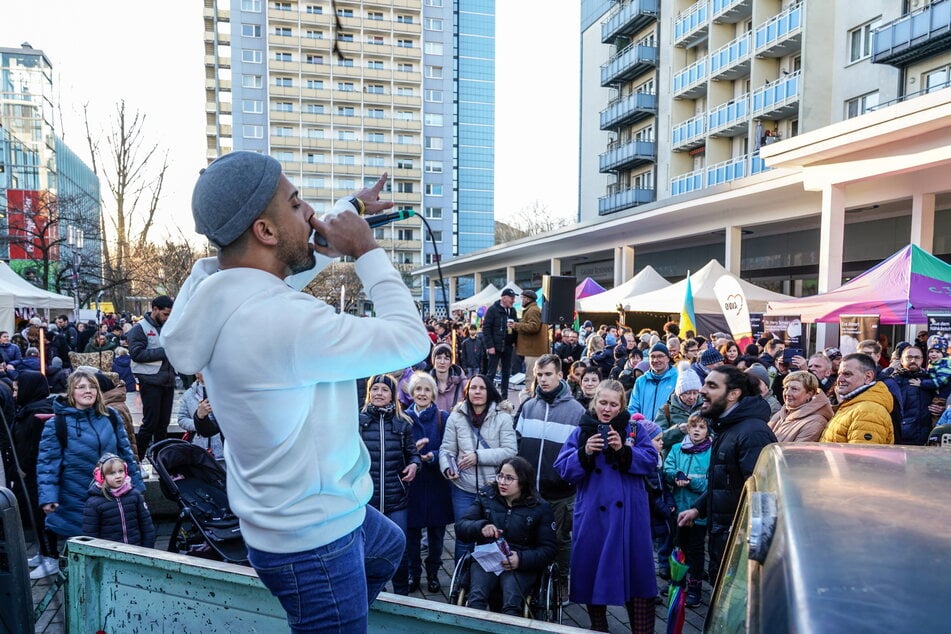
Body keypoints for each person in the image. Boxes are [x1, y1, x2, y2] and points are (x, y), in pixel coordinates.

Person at [161, 151, 431, 632]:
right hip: (315, 544)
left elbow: (274, 274)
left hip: (289, 521)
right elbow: (410, 339)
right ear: (265, 232)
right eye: (296, 203)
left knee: (388, 545)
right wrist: (366, 251)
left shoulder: (217, 296)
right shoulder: (282, 321)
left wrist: (351, 209)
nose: (310, 212)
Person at [554, 379, 658, 633]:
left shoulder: (634, 430)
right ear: (594, 403)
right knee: (592, 573)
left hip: (629, 516)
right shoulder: (582, 431)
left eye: (613, 404)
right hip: (594, 514)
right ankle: (598, 627)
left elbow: (652, 460)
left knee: (638, 577)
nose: (607, 408)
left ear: (621, 406)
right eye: (603, 402)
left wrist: (623, 450)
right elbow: (562, 468)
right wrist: (584, 453)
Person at [35, 370, 144, 579]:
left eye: (92, 386)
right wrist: (48, 497)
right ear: (71, 392)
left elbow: (126, 454)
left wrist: (137, 488)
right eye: (81, 387)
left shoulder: (111, 417)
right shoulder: (56, 424)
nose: (88, 391)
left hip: (111, 499)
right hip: (76, 500)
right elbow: (48, 464)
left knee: (113, 556)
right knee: (83, 563)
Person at [677, 366, 776, 583]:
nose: (702, 390)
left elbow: (763, 495)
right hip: (724, 538)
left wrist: (744, 541)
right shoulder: (728, 427)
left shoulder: (752, 433)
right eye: (705, 383)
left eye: (712, 385)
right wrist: (698, 509)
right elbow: (724, 482)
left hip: (738, 547)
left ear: (733, 394)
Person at [514, 354, 585, 593]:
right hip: (529, 490)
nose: (543, 380)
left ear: (560, 375)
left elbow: (581, 454)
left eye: (548, 375)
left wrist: (566, 478)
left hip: (560, 491)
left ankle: (562, 580)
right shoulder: (528, 406)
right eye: (539, 375)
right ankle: (534, 580)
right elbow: (517, 441)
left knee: (560, 539)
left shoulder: (576, 411)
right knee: (530, 537)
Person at [455, 456, 557, 616]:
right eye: (500, 476)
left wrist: (521, 559)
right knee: (475, 599)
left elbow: (549, 550)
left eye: (509, 478)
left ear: (523, 481)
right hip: (488, 557)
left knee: (511, 603)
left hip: (519, 561)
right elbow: (461, 526)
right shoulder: (487, 495)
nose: (502, 482)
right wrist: (481, 527)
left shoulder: (540, 508)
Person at [438, 374, 517, 563]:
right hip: (463, 489)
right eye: (473, 388)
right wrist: (448, 467)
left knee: (490, 537)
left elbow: (510, 451)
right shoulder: (456, 418)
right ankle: (460, 585)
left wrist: (478, 457)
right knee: (464, 536)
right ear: (467, 391)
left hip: (493, 490)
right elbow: (446, 449)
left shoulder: (503, 418)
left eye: (482, 388)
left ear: (489, 391)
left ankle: (485, 583)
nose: (477, 392)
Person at [358, 374, 420, 596]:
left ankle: (402, 593)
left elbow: (413, 455)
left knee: (399, 548)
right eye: (375, 389)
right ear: (369, 393)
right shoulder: (359, 423)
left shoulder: (402, 424)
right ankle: (374, 590)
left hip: (396, 500)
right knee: (368, 550)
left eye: (384, 390)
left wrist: (414, 465)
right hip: (367, 501)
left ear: (392, 396)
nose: (379, 393)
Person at [404, 371, 452, 594]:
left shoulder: (443, 417)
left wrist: (432, 455)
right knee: (411, 535)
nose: (422, 393)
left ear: (433, 393)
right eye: (418, 389)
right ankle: (414, 573)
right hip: (412, 484)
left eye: (426, 389)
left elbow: (450, 447)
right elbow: (399, 449)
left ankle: (433, 573)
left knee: (436, 535)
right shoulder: (403, 418)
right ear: (412, 393)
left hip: (436, 484)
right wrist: (413, 454)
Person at [663, 415, 711, 608]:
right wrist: (676, 476)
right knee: (678, 546)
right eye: (693, 427)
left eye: (702, 427)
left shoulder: (711, 452)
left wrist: (692, 482)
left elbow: (711, 483)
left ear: (708, 431)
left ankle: (695, 587)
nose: (697, 430)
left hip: (698, 512)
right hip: (679, 508)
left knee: (697, 551)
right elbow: (667, 469)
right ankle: (677, 581)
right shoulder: (677, 449)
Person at [10, 370, 55, 574]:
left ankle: (50, 556)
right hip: (28, 474)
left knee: (42, 516)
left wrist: (23, 468)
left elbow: (36, 447)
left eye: (17, 389)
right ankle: (44, 553)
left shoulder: (39, 414)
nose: (13, 394)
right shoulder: (27, 410)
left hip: (35, 475)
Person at [128, 295, 176, 459]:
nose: (168, 317)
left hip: (167, 381)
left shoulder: (167, 326)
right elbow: (136, 354)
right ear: (155, 309)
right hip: (150, 381)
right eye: (165, 314)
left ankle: (159, 460)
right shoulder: (139, 328)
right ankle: (138, 460)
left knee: (163, 425)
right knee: (150, 423)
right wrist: (166, 352)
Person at [81, 453, 155, 548]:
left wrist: (148, 549)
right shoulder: (94, 503)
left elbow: (147, 526)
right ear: (101, 476)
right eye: (112, 473)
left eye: (121, 471)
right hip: (109, 555)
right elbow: (90, 534)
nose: (118, 476)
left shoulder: (135, 495)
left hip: (136, 550)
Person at [820, 353, 895, 444]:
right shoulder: (854, 405)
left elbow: (861, 457)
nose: (839, 379)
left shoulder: (868, 411)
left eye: (847, 374)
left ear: (868, 377)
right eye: (839, 374)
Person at [885, 344, 938, 445]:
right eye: (909, 357)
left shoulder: (931, 381)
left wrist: (940, 407)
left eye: (917, 357)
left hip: (926, 438)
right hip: (900, 439)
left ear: (922, 360)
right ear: (901, 360)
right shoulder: (892, 381)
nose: (913, 360)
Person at [768, 371, 834, 442]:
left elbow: (796, 452)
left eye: (794, 389)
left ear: (809, 394)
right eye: (786, 388)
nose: (787, 393)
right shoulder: (779, 414)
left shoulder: (815, 422)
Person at [654, 360, 702, 456]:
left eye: (695, 393)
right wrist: (678, 431)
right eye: (687, 393)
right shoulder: (666, 410)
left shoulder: (705, 407)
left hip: (699, 462)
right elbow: (657, 439)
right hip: (673, 463)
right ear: (679, 393)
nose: (692, 397)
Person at [177, 372, 224, 461]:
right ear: (196, 374)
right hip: (198, 449)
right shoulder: (189, 394)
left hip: (221, 450)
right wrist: (199, 423)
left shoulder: (223, 393)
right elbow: (181, 418)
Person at [627, 342, 679, 420]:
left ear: (668, 358)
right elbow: (633, 407)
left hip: (667, 430)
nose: (655, 360)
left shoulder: (677, 379)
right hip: (644, 429)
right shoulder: (641, 381)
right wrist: (640, 425)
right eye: (652, 356)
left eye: (660, 356)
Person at [482, 289, 518, 399]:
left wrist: (514, 341)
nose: (513, 300)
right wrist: (490, 346)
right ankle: (488, 395)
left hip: (507, 345)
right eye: (511, 298)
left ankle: (504, 397)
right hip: (495, 346)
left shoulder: (512, 311)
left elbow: (516, 326)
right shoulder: (493, 310)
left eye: (513, 298)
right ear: (504, 297)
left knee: (506, 373)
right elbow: (486, 328)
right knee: (491, 373)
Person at [511, 289, 549, 382]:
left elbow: (533, 327)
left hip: (533, 351)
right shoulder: (533, 309)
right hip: (533, 350)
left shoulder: (532, 311)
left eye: (522, 298)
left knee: (531, 378)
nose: (521, 300)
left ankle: (530, 396)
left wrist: (516, 325)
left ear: (527, 299)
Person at [429, 343, 467, 413]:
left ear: (450, 362)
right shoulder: (427, 385)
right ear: (433, 360)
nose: (442, 362)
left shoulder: (463, 384)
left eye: (446, 358)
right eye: (439, 358)